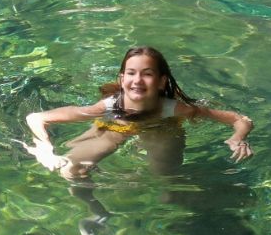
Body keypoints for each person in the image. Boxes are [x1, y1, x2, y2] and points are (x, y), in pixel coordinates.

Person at [24, 46, 254, 180]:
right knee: (70, 169)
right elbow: (35, 118)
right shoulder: (107, 107)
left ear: (162, 81)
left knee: (164, 177)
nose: (137, 80)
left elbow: (239, 119)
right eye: (131, 73)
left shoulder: (174, 109)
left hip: (162, 128)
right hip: (116, 126)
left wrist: (237, 138)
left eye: (147, 74)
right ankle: (95, 214)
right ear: (122, 79)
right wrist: (44, 147)